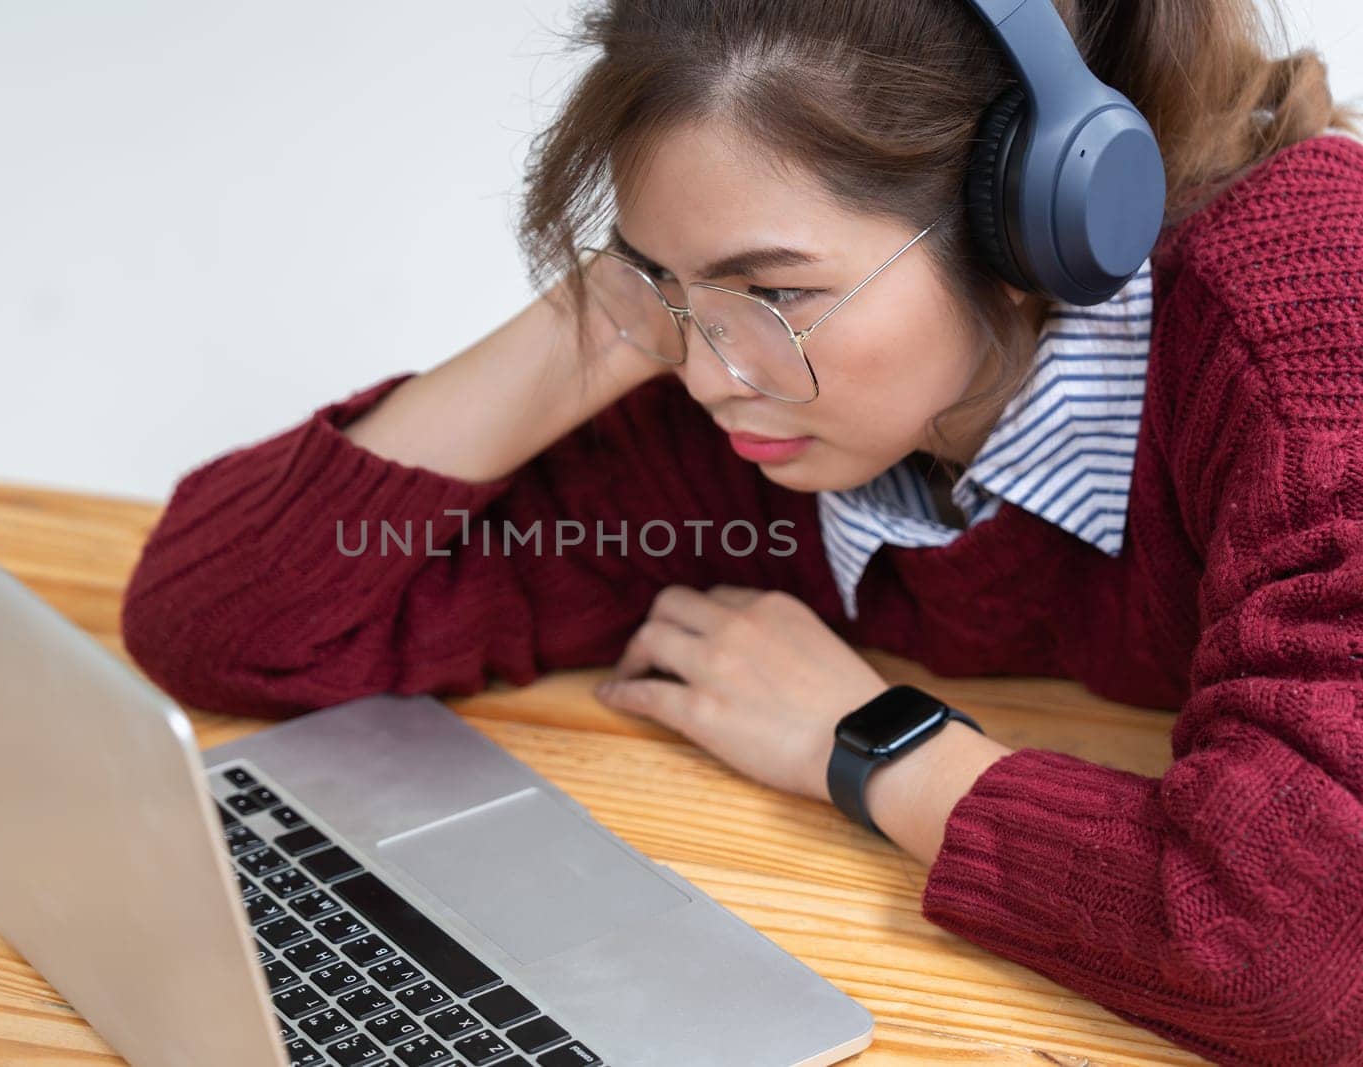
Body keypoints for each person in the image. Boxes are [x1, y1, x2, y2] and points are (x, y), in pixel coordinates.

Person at [120, 1, 1363, 1063]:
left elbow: (1303, 947)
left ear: (1039, 229)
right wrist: (609, 315)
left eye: (775, 292)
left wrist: (875, 745)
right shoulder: (739, 423)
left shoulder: (1310, 311)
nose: (712, 375)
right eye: (666, 286)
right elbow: (223, 619)